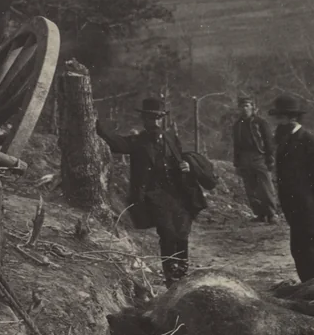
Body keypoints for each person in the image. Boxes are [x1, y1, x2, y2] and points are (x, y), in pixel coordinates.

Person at [97, 96, 206, 285]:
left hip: (177, 192)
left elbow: (180, 158)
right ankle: (171, 276)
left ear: (162, 119)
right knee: (167, 232)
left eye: (158, 118)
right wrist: (96, 125)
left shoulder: (171, 139)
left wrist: (186, 166)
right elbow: (115, 142)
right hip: (153, 194)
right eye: (150, 118)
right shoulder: (137, 142)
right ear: (144, 120)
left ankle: (182, 272)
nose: (154, 122)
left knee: (182, 232)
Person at [269, 94, 314, 283]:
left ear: (292, 118)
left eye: (280, 118)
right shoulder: (286, 141)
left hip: (311, 209)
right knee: (300, 251)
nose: (277, 123)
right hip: (295, 209)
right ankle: (309, 288)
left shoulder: (308, 141)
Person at [231, 96, 278, 223]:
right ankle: (260, 214)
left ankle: (271, 214)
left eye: (247, 105)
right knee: (250, 188)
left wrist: (270, 158)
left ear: (252, 107)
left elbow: (268, 141)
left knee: (265, 187)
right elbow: (236, 145)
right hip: (244, 158)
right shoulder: (237, 125)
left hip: (259, 157)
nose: (244, 108)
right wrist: (237, 162)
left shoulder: (260, 123)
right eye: (242, 106)